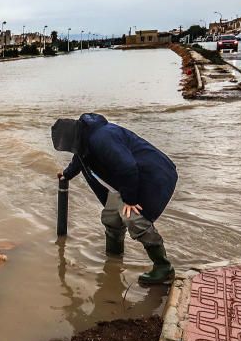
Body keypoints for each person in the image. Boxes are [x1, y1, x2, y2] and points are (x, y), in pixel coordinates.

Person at [52, 113, 178, 285]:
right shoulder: (83, 139)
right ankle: (114, 258)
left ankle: (163, 267)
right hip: (127, 180)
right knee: (111, 217)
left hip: (152, 175)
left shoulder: (102, 137)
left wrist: (130, 200)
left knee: (134, 218)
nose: (68, 150)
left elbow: (127, 167)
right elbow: (79, 160)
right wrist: (66, 175)